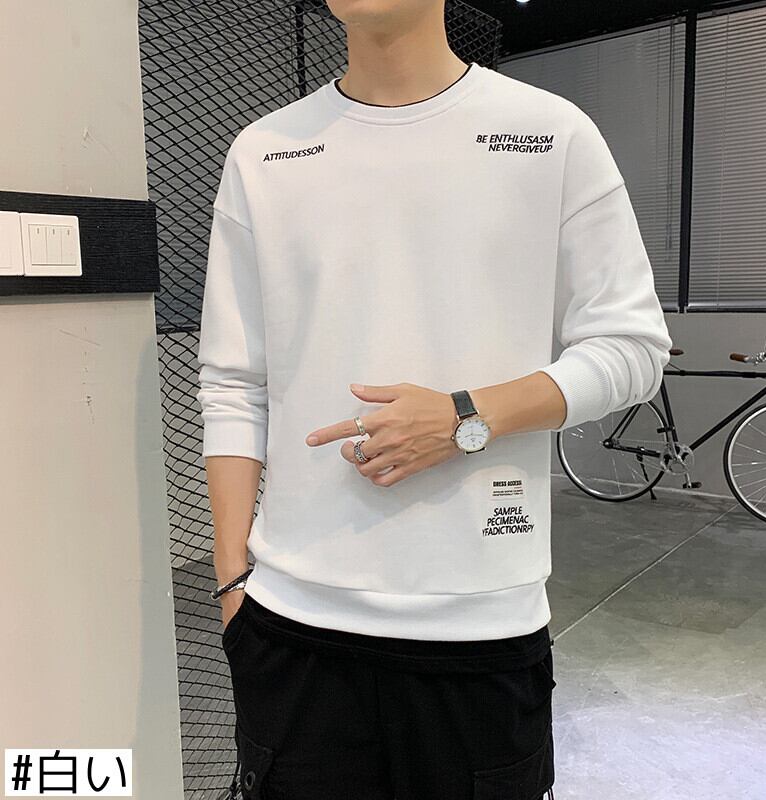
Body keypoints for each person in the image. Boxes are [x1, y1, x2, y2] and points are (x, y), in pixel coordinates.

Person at [197, 1, 673, 798]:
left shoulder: (550, 134)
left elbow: (632, 349)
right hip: (289, 627)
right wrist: (230, 584)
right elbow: (235, 381)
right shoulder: (264, 152)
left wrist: (464, 416)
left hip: (478, 632)